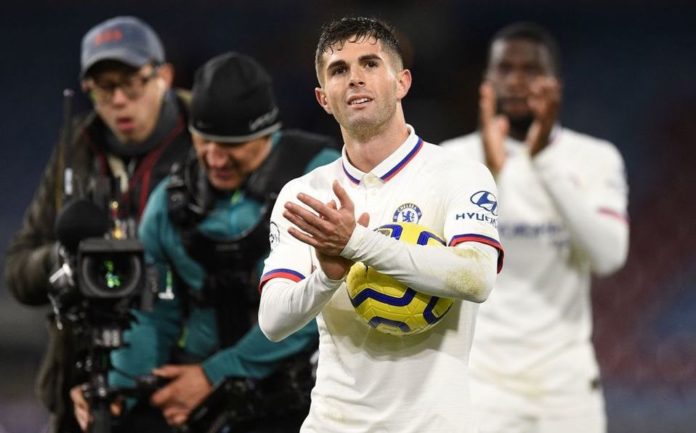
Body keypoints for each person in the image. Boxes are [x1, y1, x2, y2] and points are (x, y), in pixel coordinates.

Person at [70, 51, 341, 432]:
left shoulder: (321, 179)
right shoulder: (169, 203)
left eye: (231, 145)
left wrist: (214, 374)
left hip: (304, 398)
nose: (214, 159)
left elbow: (320, 307)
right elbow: (153, 314)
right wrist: (119, 390)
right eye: (204, 140)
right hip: (199, 399)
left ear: (266, 133)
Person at [257, 17, 504, 433]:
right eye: (339, 70)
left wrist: (356, 242)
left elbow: (477, 278)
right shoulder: (305, 194)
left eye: (370, 64)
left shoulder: (460, 175)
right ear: (323, 98)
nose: (355, 78)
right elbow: (273, 321)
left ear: (402, 82)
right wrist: (327, 277)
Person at [4, 16, 192, 433]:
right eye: (104, 88)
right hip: (86, 383)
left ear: (163, 76)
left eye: (132, 84)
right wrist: (67, 259)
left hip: (182, 378)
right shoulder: (77, 145)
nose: (119, 100)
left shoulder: (204, 137)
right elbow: (18, 270)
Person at [440, 22, 630, 433]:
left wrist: (543, 162)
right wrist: (490, 176)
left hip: (566, 383)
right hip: (481, 378)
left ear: (555, 83)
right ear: (487, 82)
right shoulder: (452, 160)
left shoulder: (594, 158)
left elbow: (608, 256)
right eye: (505, 69)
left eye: (531, 70)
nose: (517, 81)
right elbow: (441, 264)